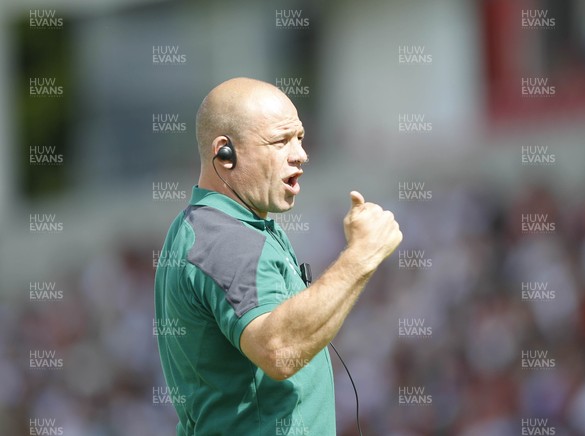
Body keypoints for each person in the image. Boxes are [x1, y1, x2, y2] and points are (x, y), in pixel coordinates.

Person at [154, 77, 403, 435]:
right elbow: (279, 350)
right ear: (225, 153)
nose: (300, 153)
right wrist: (361, 256)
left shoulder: (217, 224)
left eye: (299, 137)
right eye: (280, 141)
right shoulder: (224, 238)